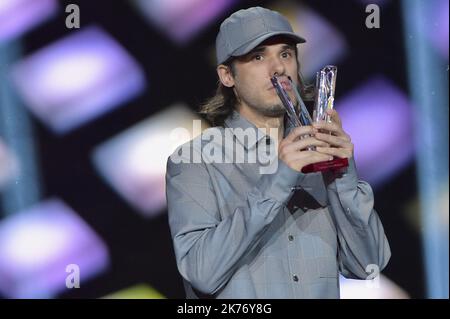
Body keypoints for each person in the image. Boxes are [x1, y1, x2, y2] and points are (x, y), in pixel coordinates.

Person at [166, 6, 391, 299]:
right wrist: (279, 179)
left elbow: (368, 265)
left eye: (285, 54)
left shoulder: (321, 154)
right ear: (227, 76)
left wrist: (343, 175)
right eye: (258, 57)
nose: (279, 69)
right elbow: (202, 274)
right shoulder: (196, 161)